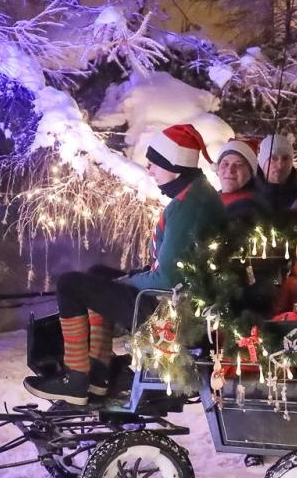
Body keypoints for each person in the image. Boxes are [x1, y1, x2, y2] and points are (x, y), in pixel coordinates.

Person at [24, 123, 224, 405]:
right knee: (96, 274)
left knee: (69, 283)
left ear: (174, 164)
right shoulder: (196, 194)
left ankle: (76, 378)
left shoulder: (187, 206)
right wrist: (129, 276)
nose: (150, 170)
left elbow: (167, 279)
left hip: (167, 310)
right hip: (177, 301)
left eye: (155, 164)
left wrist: (125, 282)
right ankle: (99, 375)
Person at [213, 136, 264, 222]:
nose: (230, 170)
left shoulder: (248, 209)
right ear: (217, 168)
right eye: (225, 164)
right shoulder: (213, 198)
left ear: (251, 173)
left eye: (238, 164)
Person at [256, 134, 297, 217]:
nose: (280, 165)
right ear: (262, 162)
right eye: (273, 158)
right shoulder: (247, 196)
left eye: (285, 158)